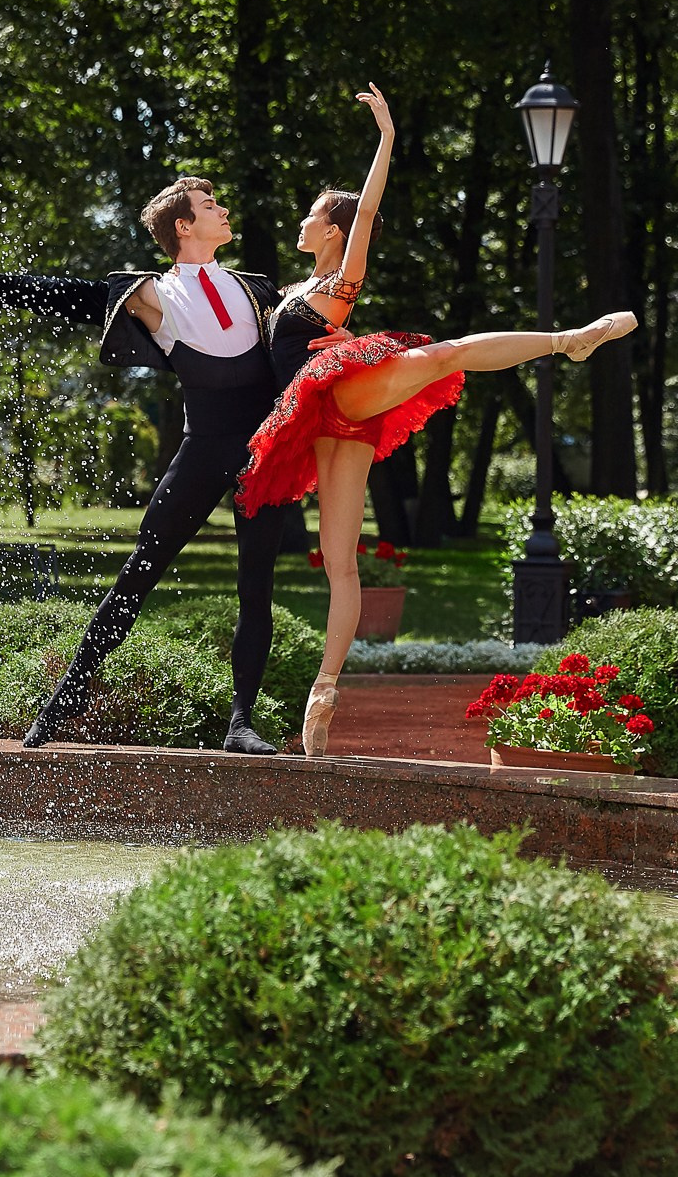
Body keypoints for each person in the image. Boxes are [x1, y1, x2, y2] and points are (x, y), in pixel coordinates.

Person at [239, 90, 636, 756]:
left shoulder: (339, 282)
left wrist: (387, 137)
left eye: (313, 214)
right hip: (316, 423)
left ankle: (567, 339)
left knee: (441, 355)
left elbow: (367, 210)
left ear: (332, 231)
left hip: (342, 390)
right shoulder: (286, 293)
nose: (302, 222)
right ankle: (324, 690)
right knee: (339, 561)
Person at [0, 178, 298, 753]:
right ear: (183, 226)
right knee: (139, 572)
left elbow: (305, 330)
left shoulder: (256, 288)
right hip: (203, 449)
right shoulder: (152, 294)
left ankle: (240, 724)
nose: (224, 209)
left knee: (257, 585)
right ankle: (63, 701)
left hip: (263, 451)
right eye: (210, 205)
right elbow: (72, 296)